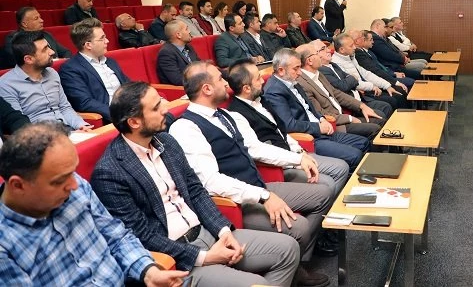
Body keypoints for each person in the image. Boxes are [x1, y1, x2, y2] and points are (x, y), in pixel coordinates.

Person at [90, 83, 300, 287]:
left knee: (288, 249)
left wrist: (223, 231)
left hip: (207, 232)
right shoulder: (109, 172)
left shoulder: (167, 141)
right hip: (178, 258)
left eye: (161, 101)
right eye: (156, 107)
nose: (165, 109)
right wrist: (204, 257)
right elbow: (141, 236)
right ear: (134, 122)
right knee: (257, 284)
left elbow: (195, 190)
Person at [169, 62, 333, 285]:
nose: (226, 84)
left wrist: (298, 158)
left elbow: (255, 148)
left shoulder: (225, 115)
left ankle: (297, 265)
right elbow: (210, 181)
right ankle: (293, 268)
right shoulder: (186, 128)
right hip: (235, 202)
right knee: (300, 227)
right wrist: (263, 196)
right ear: (206, 89)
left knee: (324, 193)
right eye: (220, 79)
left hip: (257, 186)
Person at [0, 122, 188, 286]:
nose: (74, 185)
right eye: (59, 181)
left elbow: (116, 236)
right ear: (18, 185)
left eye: (73, 172)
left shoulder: (76, 186)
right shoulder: (4, 247)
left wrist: (148, 271)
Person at [226, 59, 349, 195]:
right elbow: (258, 150)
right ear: (246, 88)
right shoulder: (236, 114)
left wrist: (299, 151)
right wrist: (297, 159)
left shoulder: (261, 99)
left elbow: (281, 131)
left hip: (293, 154)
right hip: (279, 166)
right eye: (258, 78)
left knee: (341, 167)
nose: (262, 81)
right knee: (328, 183)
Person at [262, 48, 369, 172]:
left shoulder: (292, 81)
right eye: (296, 68)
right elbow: (288, 124)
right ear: (281, 70)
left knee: (363, 142)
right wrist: (318, 127)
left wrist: (321, 118)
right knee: (355, 155)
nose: (300, 73)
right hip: (310, 138)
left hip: (321, 130)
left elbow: (310, 108)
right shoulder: (274, 91)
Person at [0, 32, 90, 130]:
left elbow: (65, 108)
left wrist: (81, 125)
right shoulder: (6, 85)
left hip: (68, 130)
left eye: (49, 47)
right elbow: (18, 124)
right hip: (40, 135)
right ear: (28, 59)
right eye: (45, 49)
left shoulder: (52, 73)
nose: (52, 52)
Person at [297, 43, 385, 139]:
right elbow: (320, 114)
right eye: (317, 53)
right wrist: (350, 118)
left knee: (379, 117)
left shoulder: (318, 73)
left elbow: (336, 93)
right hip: (335, 125)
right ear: (309, 61)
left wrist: (361, 106)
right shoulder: (302, 84)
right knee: (376, 128)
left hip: (341, 114)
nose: (320, 56)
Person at [60, 18, 129, 123]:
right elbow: (85, 103)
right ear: (88, 45)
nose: (107, 41)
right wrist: (120, 115)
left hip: (130, 108)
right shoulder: (71, 69)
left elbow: (129, 85)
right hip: (111, 117)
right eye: (102, 38)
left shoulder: (110, 62)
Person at [329, 32, 405, 111]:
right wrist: (372, 87)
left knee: (396, 94)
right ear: (342, 50)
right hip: (359, 94)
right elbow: (354, 83)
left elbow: (365, 74)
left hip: (367, 88)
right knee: (391, 101)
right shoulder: (336, 63)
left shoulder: (350, 56)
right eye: (351, 46)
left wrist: (386, 85)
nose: (354, 47)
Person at [1, 6, 72, 68]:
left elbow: (66, 52)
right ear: (24, 24)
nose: (42, 20)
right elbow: (20, 62)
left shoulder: (46, 34)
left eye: (40, 17)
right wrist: (51, 62)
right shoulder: (14, 39)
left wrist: (64, 61)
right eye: (36, 18)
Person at [157, 19, 200, 85]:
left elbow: (200, 64)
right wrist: (202, 79)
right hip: (184, 88)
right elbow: (178, 80)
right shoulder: (166, 53)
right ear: (178, 35)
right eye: (186, 29)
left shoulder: (188, 47)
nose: (189, 31)